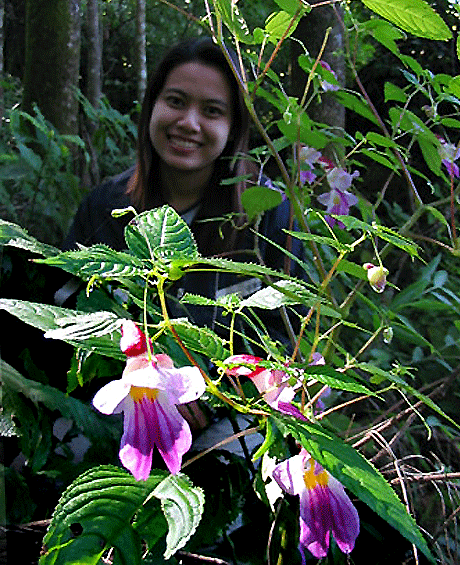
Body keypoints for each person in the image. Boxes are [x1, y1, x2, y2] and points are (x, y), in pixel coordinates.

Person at [62, 37, 305, 349]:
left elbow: (287, 339)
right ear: (152, 106)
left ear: (233, 127)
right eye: (176, 101)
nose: (189, 123)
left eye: (212, 110)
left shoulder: (271, 218)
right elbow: (64, 319)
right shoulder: (103, 208)